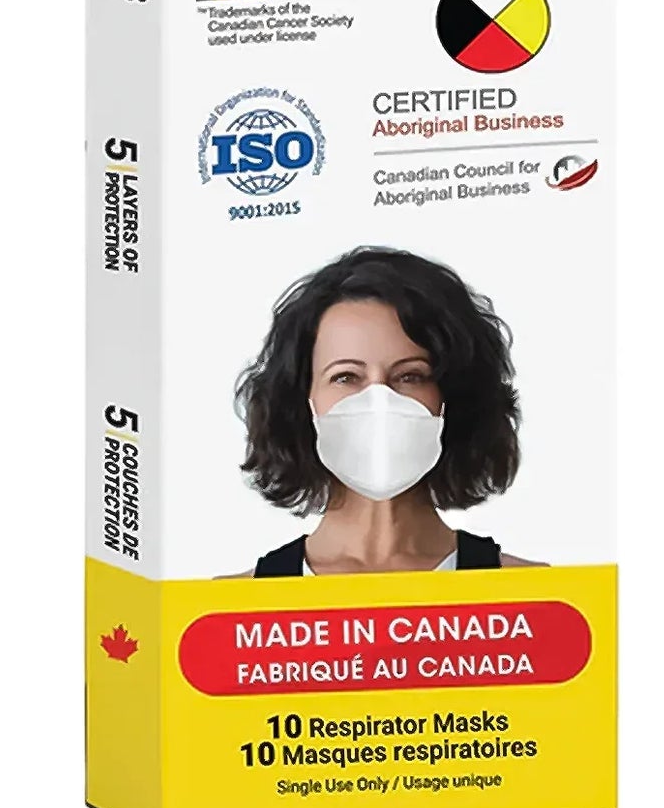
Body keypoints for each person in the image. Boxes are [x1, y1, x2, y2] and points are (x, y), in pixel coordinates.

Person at [228, 246, 541, 576]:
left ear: (454, 397)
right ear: (303, 401)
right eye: (346, 377)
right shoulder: (237, 601)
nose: (379, 400)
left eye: (410, 376)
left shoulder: (531, 591)